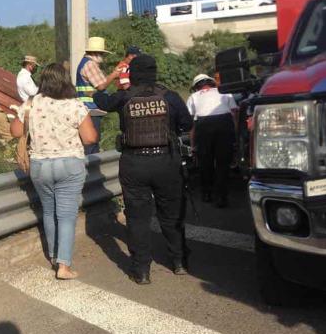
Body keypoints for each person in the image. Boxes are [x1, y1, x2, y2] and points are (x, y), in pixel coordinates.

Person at [94, 54, 193, 285]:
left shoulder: (123, 97)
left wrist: (111, 78)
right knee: (171, 215)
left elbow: (99, 100)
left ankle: (141, 271)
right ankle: (179, 262)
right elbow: (187, 125)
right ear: (154, 72)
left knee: (138, 219)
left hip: (134, 164)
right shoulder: (169, 96)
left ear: (133, 73)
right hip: (166, 162)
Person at [11, 63, 98, 280]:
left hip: (40, 165)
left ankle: (52, 255)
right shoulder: (74, 105)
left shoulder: (31, 103)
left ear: (43, 81)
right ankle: (64, 266)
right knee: (67, 216)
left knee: (49, 212)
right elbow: (89, 138)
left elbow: (15, 131)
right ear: (65, 80)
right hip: (69, 164)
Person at [186, 73, 237, 207]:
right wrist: (236, 136)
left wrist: (193, 145)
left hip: (203, 127)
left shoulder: (193, 97)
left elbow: (191, 125)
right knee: (223, 164)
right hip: (224, 124)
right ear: (212, 83)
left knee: (205, 163)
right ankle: (222, 197)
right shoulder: (226, 93)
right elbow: (234, 116)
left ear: (197, 86)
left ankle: (207, 194)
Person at [75, 37, 121, 155]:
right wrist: (114, 75)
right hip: (91, 109)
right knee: (92, 143)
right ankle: (91, 169)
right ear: (96, 53)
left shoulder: (85, 63)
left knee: (90, 143)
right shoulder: (90, 64)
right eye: (102, 53)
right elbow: (101, 86)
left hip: (88, 109)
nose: (103, 57)